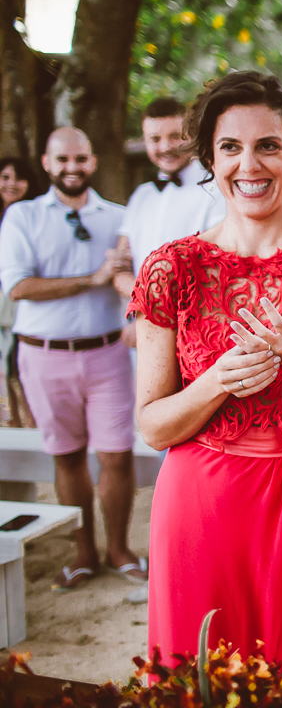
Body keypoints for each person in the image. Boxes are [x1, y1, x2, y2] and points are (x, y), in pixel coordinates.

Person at [129, 71, 282, 672]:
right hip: (201, 509)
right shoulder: (171, 269)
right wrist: (218, 379)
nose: (251, 164)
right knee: (210, 677)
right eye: (231, 147)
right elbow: (153, 428)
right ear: (210, 161)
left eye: (268, 145)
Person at [0, 127, 143, 589]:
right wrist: (93, 277)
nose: (72, 167)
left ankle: (119, 549)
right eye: (62, 159)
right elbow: (19, 287)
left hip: (108, 354)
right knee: (67, 458)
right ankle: (84, 552)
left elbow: (138, 279)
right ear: (46, 162)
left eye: (80, 158)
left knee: (118, 456)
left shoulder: (120, 218)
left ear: (93, 161)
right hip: (43, 357)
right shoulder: (22, 216)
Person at [113, 98, 227, 319]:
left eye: (175, 137)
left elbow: (216, 267)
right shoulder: (141, 196)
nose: (165, 147)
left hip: (194, 321)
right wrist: (142, 313)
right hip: (142, 322)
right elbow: (121, 266)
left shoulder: (216, 191)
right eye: (155, 139)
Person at [0, 157, 45, 428]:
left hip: (24, 305)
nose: (11, 184)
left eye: (18, 178)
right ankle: (13, 421)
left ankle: (31, 424)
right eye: (5, 177)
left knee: (21, 367)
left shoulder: (35, 216)